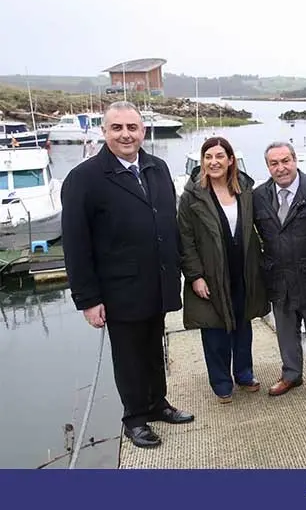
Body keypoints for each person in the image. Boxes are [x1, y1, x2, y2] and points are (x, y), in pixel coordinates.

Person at [61, 100, 194, 449]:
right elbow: (76, 245)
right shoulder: (85, 179)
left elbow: (167, 224)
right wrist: (88, 300)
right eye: (117, 128)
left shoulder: (158, 168)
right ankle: (134, 418)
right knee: (129, 356)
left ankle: (157, 403)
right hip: (119, 289)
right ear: (105, 132)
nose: (125, 134)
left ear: (143, 131)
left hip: (158, 282)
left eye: (132, 128)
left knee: (153, 347)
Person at [177, 136, 270, 404]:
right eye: (208, 157)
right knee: (215, 329)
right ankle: (221, 382)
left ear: (231, 161)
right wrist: (195, 276)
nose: (214, 162)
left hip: (243, 271)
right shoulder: (192, 196)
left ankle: (244, 373)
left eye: (220, 156)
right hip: (210, 275)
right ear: (203, 162)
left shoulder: (246, 190)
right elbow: (186, 239)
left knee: (243, 324)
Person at [253, 141, 306, 399]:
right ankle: (290, 375)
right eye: (274, 163)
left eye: (285, 161)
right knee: (285, 330)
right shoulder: (258, 196)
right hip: (278, 276)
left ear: (295, 160)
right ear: (268, 166)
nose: (281, 168)